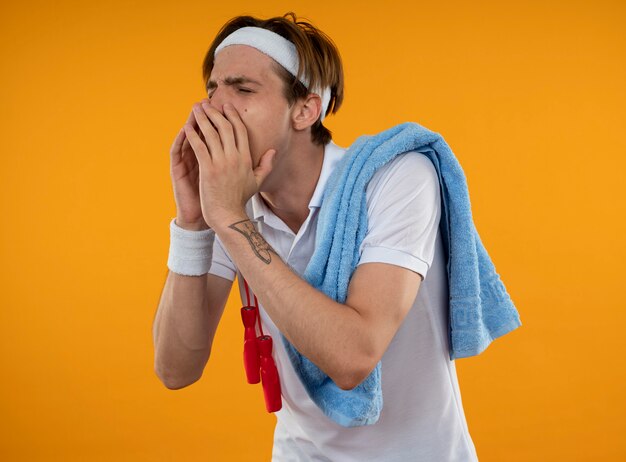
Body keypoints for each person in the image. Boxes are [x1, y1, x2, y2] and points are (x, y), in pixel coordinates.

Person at [153, 11, 479, 461]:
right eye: (212, 89)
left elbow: (353, 357)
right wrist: (193, 220)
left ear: (306, 108)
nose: (213, 108)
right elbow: (175, 368)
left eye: (242, 88)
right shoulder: (233, 206)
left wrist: (229, 219)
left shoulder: (396, 177)